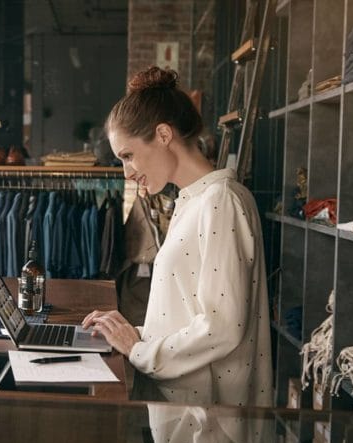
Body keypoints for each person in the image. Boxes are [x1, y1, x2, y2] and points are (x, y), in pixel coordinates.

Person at [82, 67, 272, 408]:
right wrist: (134, 332)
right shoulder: (193, 200)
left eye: (128, 155)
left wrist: (138, 349)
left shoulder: (220, 201)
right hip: (187, 410)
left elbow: (223, 327)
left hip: (208, 424)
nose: (127, 172)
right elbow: (190, 311)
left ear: (164, 135)